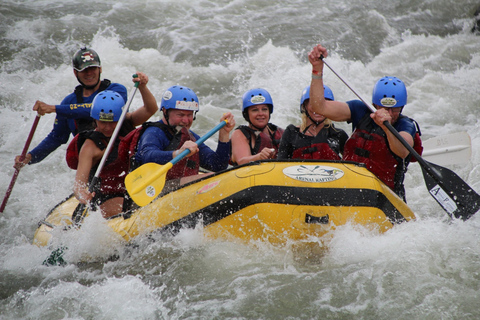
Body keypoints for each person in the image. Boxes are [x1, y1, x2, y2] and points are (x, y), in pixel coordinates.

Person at [307, 44, 423, 201]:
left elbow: (402, 150)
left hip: (385, 198)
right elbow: (319, 107)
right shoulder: (360, 110)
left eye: (394, 109)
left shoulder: (405, 125)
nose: (388, 113)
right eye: (384, 107)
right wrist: (317, 69)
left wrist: (386, 127)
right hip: (350, 190)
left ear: (402, 107)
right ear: (375, 104)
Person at [14, 47, 127, 169]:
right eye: (84, 70)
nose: (89, 73)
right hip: (92, 164)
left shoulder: (116, 90)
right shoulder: (68, 102)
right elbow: (57, 138)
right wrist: (30, 157)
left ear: (100, 69)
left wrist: (55, 108)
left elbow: (95, 109)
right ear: (75, 72)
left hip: (122, 155)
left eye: (92, 68)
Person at [73, 73, 158, 218]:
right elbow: (78, 184)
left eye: (112, 122)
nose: (107, 127)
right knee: (127, 210)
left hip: (135, 187)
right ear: (94, 119)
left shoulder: (127, 121)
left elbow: (151, 109)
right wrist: (82, 195)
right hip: (105, 196)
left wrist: (143, 87)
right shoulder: (90, 146)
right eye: (102, 122)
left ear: (120, 117)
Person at [134, 85, 235, 189]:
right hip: (153, 189)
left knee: (218, 178)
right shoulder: (153, 132)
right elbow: (147, 156)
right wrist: (178, 153)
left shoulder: (189, 136)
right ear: (165, 111)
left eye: (189, 115)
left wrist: (224, 134)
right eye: (180, 115)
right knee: (211, 179)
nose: (186, 121)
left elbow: (217, 166)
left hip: (177, 188)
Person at [277, 85, 348, 160]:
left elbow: (354, 165)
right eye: (313, 103)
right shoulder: (291, 133)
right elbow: (280, 165)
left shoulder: (338, 135)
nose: (318, 108)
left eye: (323, 103)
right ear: (304, 107)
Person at [230, 88, 284, 165]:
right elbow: (241, 161)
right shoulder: (240, 134)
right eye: (255, 110)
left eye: (264, 109)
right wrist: (259, 157)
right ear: (246, 114)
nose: (260, 113)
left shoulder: (279, 132)